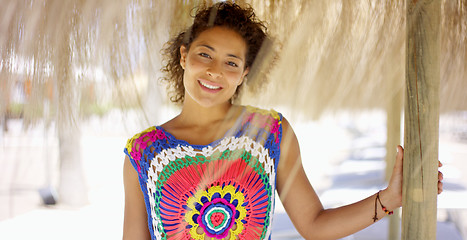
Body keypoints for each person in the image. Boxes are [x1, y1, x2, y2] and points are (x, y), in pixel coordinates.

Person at [122, 2, 443, 240]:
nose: (215, 70)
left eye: (231, 62)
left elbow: (315, 224)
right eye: (205, 54)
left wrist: (388, 199)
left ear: (244, 73)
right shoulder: (144, 153)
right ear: (183, 56)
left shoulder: (268, 134)